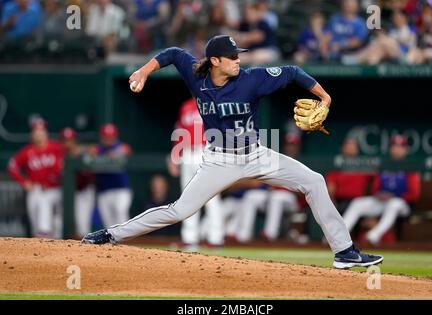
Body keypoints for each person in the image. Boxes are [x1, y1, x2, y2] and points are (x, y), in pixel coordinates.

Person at [82, 34, 383, 269]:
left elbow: (291, 72)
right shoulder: (196, 76)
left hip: (256, 154)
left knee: (314, 180)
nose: (237, 60)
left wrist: (324, 97)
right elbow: (173, 53)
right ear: (214, 60)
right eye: (231, 57)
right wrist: (144, 71)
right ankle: (110, 235)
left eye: (238, 55)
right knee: (180, 210)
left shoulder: (252, 79)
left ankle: (344, 252)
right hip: (219, 160)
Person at [342, 134, 421, 246]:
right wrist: (379, 194)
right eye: (394, 146)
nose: (397, 149)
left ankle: (373, 235)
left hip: (403, 205)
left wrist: (394, 196)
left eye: (400, 147)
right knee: (357, 203)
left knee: (395, 204)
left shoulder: (411, 166)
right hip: (383, 201)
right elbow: (375, 188)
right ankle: (340, 236)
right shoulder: (384, 165)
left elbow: (414, 195)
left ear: (405, 150)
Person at [168, 97, 224, 249]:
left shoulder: (214, 103)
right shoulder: (186, 106)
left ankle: (215, 238)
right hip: (187, 153)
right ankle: (189, 237)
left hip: (207, 151)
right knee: (188, 196)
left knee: (212, 196)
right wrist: (175, 156)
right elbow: (180, 132)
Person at [7, 119, 64, 238]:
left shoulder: (56, 148)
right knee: (36, 224)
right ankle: (39, 250)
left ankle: (56, 245)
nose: (39, 134)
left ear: (46, 132)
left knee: (57, 223)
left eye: (41, 131)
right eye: (36, 131)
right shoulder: (27, 151)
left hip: (57, 188)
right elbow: (12, 166)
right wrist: (23, 181)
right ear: (32, 134)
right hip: (36, 189)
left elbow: (70, 158)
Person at [90, 123, 133, 228]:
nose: (108, 139)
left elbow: (127, 149)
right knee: (108, 223)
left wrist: (116, 153)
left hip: (121, 190)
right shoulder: (97, 149)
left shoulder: (119, 146)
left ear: (115, 136)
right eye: (105, 136)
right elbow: (89, 152)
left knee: (121, 214)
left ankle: (125, 241)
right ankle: (112, 243)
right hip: (104, 191)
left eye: (110, 137)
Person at [59, 127, 96, 238]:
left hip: (84, 190)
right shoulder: (58, 153)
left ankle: (86, 250)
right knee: (60, 223)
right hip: (65, 192)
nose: (67, 143)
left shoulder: (84, 151)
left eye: (70, 140)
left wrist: (87, 152)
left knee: (82, 224)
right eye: (65, 140)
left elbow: (95, 150)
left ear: (74, 140)